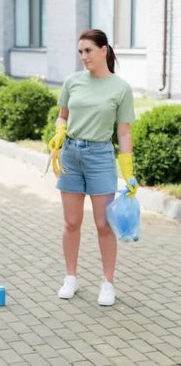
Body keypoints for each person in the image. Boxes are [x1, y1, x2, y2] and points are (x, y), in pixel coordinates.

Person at [49, 29, 137, 307]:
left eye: (88, 51)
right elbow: (62, 117)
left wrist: (129, 171)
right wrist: (60, 134)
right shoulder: (72, 82)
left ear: (104, 50)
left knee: (104, 225)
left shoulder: (120, 88)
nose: (83, 57)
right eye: (80, 52)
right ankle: (70, 278)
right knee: (71, 222)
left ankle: (108, 283)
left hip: (100, 156)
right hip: (72, 156)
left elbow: (123, 132)